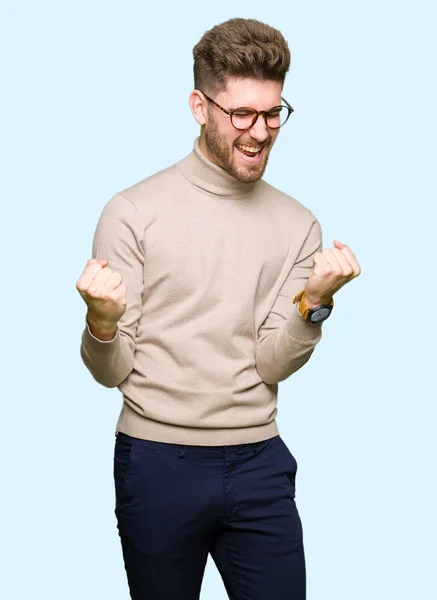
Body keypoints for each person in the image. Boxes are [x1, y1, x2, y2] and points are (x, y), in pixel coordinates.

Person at [76, 17, 361, 600]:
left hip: (259, 461)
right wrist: (101, 325)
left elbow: (270, 363)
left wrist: (315, 302)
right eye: (242, 115)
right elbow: (112, 374)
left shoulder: (298, 224)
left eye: (273, 113)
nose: (260, 132)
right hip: (157, 462)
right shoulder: (133, 211)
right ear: (199, 106)